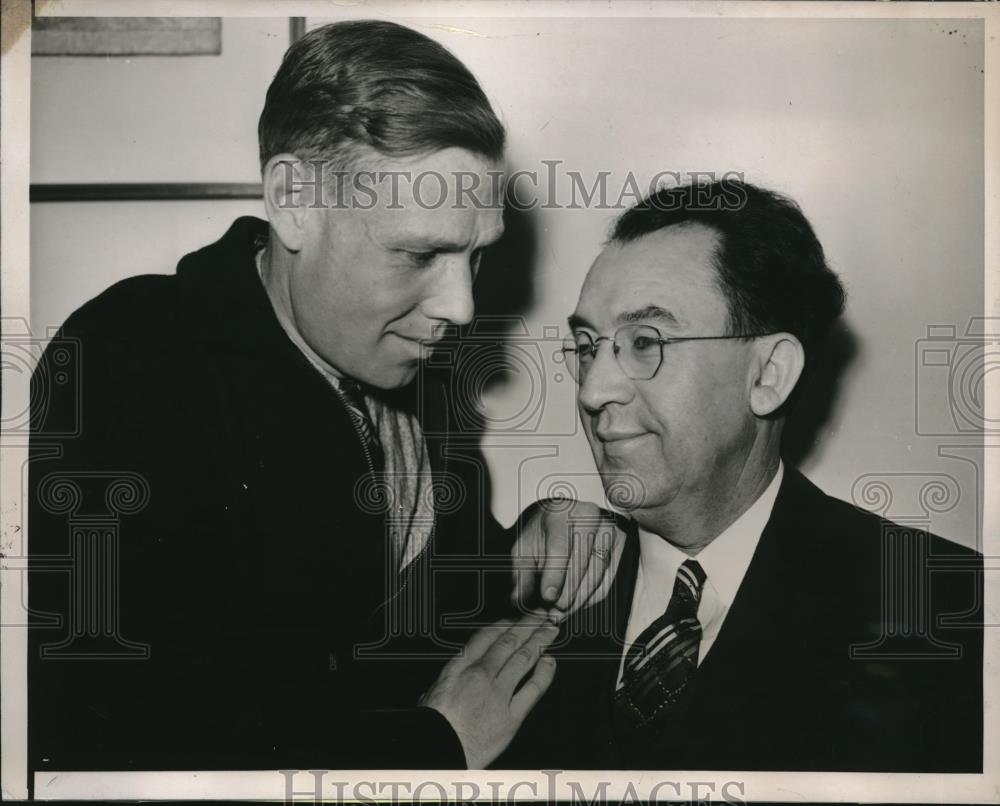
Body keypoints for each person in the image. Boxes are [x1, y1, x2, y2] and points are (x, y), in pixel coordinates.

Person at [27, 20, 621, 776]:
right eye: (418, 253)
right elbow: (107, 740)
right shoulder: (132, 357)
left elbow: (421, 602)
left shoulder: (396, 354)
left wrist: (528, 544)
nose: (463, 308)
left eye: (476, 256)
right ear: (294, 202)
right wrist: (433, 747)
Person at [499, 179, 983, 772]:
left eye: (645, 342)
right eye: (586, 345)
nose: (594, 390)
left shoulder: (950, 613)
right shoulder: (535, 575)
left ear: (768, 375)